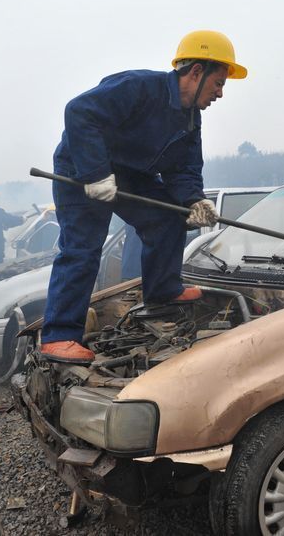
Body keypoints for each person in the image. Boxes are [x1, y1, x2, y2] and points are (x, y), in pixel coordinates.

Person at [40, 30, 247, 364]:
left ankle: (164, 289)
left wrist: (195, 200)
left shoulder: (191, 119)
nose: (220, 93)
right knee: (83, 248)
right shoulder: (137, 87)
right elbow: (79, 112)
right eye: (218, 83)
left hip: (129, 173)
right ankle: (59, 336)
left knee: (168, 217)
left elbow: (184, 168)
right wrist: (94, 175)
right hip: (80, 166)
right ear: (196, 72)